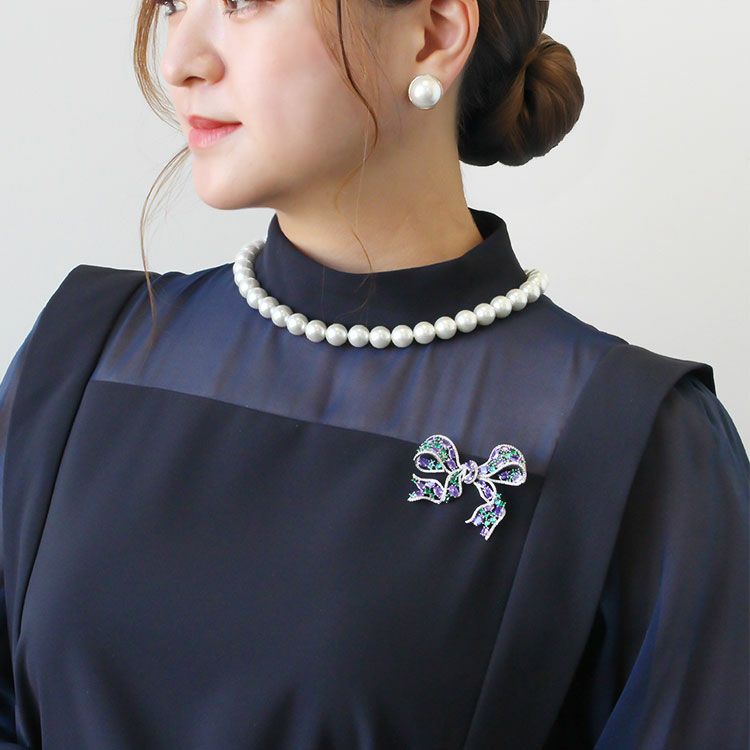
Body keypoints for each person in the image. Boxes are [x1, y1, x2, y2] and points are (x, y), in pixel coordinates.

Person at [1, 0, 747, 748]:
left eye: (242, 2)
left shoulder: (636, 446)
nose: (178, 62)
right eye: (172, 4)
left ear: (433, 34)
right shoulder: (78, 355)